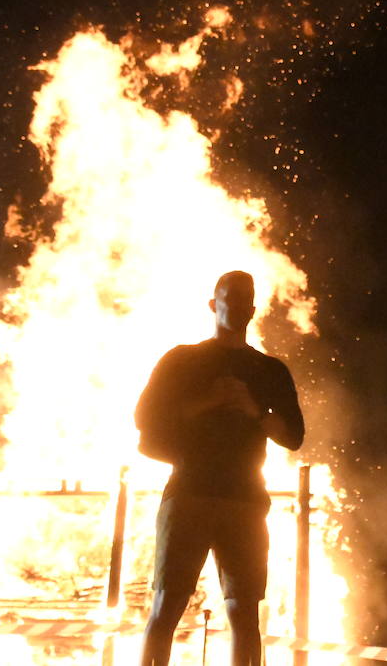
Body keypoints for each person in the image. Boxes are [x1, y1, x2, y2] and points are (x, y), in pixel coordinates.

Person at [135, 270, 305, 666]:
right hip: (189, 494)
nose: (239, 306)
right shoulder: (182, 361)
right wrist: (207, 403)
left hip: (245, 500)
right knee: (167, 605)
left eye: (246, 299)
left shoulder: (270, 371)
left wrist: (255, 412)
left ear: (253, 309)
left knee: (244, 613)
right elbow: (146, 423)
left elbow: (293, 436)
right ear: (214, 304)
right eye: (230, 297)